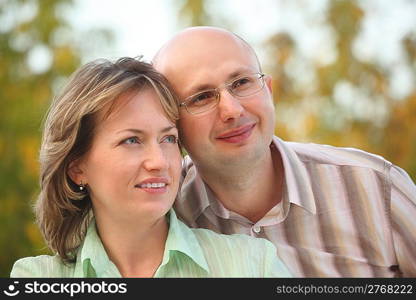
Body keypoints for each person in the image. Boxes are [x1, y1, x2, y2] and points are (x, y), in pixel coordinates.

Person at [152, 26, 416, 277]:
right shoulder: (158, 214)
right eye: (202, 97)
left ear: (268, 90)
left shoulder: (377, 187)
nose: (232, 110)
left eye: (242, 82)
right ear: (172, 124)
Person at [10, 57, 291, 278]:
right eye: (132, 140)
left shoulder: (251, 265)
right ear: (77, 168)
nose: (159, 161)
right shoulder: (37, 277)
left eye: (168, 138)